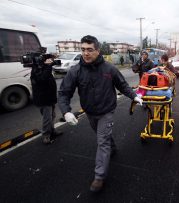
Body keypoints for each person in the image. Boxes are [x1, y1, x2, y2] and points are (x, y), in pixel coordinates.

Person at [58, 35, 143, 192]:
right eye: (83, 50)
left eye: (90, 50)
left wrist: (134, 96)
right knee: (102, 134)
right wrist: (66, 112)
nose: (86, 53)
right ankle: (113, 146)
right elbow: (64, 93)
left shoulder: (109, 69)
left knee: (101, 141)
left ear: (98, 51)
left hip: (107, 110)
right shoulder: (75, 71)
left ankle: (99, 177)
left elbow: (123, 85)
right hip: (90, 112)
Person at [30, 57, 62, 144]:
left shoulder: (44, 68)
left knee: (52, 115)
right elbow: (42, 79)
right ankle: (46, 135)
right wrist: (48, 66)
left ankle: (52, 130)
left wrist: (49, 65)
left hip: (50, 97)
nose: (49, 61)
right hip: (43, 98)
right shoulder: (36, 69)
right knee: (47, 118)